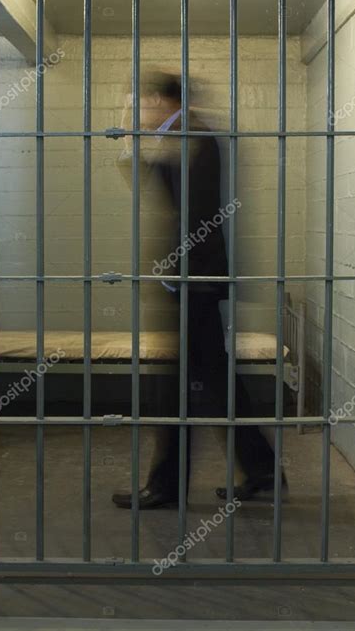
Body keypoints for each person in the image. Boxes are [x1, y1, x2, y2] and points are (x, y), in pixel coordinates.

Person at [112, 70, 284, 509]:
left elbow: (197, 212)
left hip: (193, 282)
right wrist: (134, 148)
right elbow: (170, 195)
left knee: (179, 387)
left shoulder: (194, 138)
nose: (139, 109)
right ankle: (262, 469)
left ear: (159, 99)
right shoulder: (187, 137)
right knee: (212, 381)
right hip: (194, 281)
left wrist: (175, 274)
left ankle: (167, 486)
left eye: (142, 101)